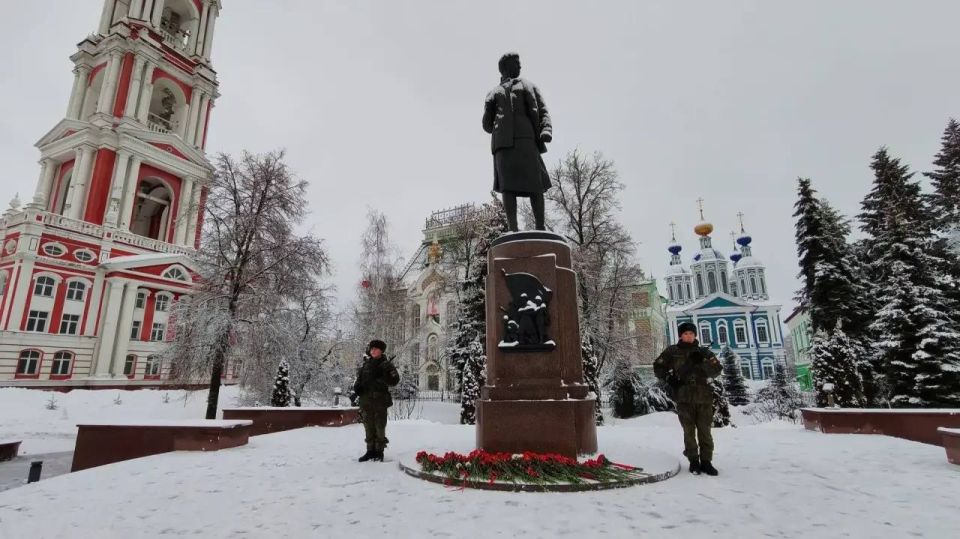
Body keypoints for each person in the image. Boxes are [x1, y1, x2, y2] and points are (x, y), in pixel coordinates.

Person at [482, 52, 553, 232]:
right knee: (508, 187)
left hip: (526, 140)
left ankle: (540, 227)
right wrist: (488, 108)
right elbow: (487, 126)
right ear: (506, 67)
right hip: (503, 145)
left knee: (535, 184)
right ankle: (513, 229)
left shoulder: (528, 86)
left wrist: (546, 129)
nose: (520, 67)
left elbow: (542, 110)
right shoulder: (493, 93)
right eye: (516, 63)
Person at [654, 322, 723, 476]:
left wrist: (703, 362)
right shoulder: (672, 351)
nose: (689, 336)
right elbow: (658, 367)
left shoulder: (704, 352)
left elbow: (717, 370)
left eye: (691, 333)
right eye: (685, 333)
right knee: (689, 431)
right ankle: (693, 461)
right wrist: (669, 378)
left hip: (703, 396)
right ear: (680, 335)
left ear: (695, 335)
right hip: (683, 396)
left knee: (705, 430)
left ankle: (706, 461)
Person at [352, 339, 400, 462]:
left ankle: (379, 452)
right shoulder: (366, 364)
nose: (372, 350)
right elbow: (359, 379)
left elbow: (394, 381)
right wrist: (357, 387)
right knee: (368, 426)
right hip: (366, 401)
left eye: (375, 349)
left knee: (379, 426)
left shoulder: (386, 364)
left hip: (379, 401)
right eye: (371, 348)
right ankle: (370, 451)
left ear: (381, 351)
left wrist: (383, 375)